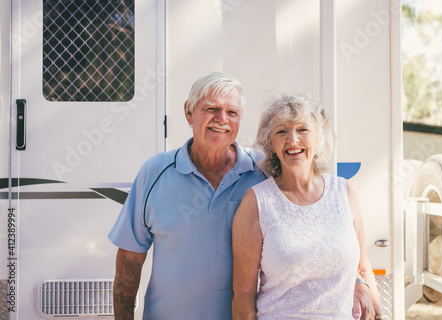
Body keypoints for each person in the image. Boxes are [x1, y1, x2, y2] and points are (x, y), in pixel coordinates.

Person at [108, 72, 375, 320]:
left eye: (231, 112)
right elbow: (129, 261)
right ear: (189, 112)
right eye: (211, 109)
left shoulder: (263, 171)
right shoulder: (155, 173)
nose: (221, 119)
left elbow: (316, 223)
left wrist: (358, 280)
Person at [232, 92, 383, 320]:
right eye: (281, 131)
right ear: (270, 143)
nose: (293, 140)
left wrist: (378, 311)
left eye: (302, 129)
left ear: (319, 138)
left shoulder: (345, 193)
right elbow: (243, 293)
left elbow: (362, 267)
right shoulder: (256, 202)